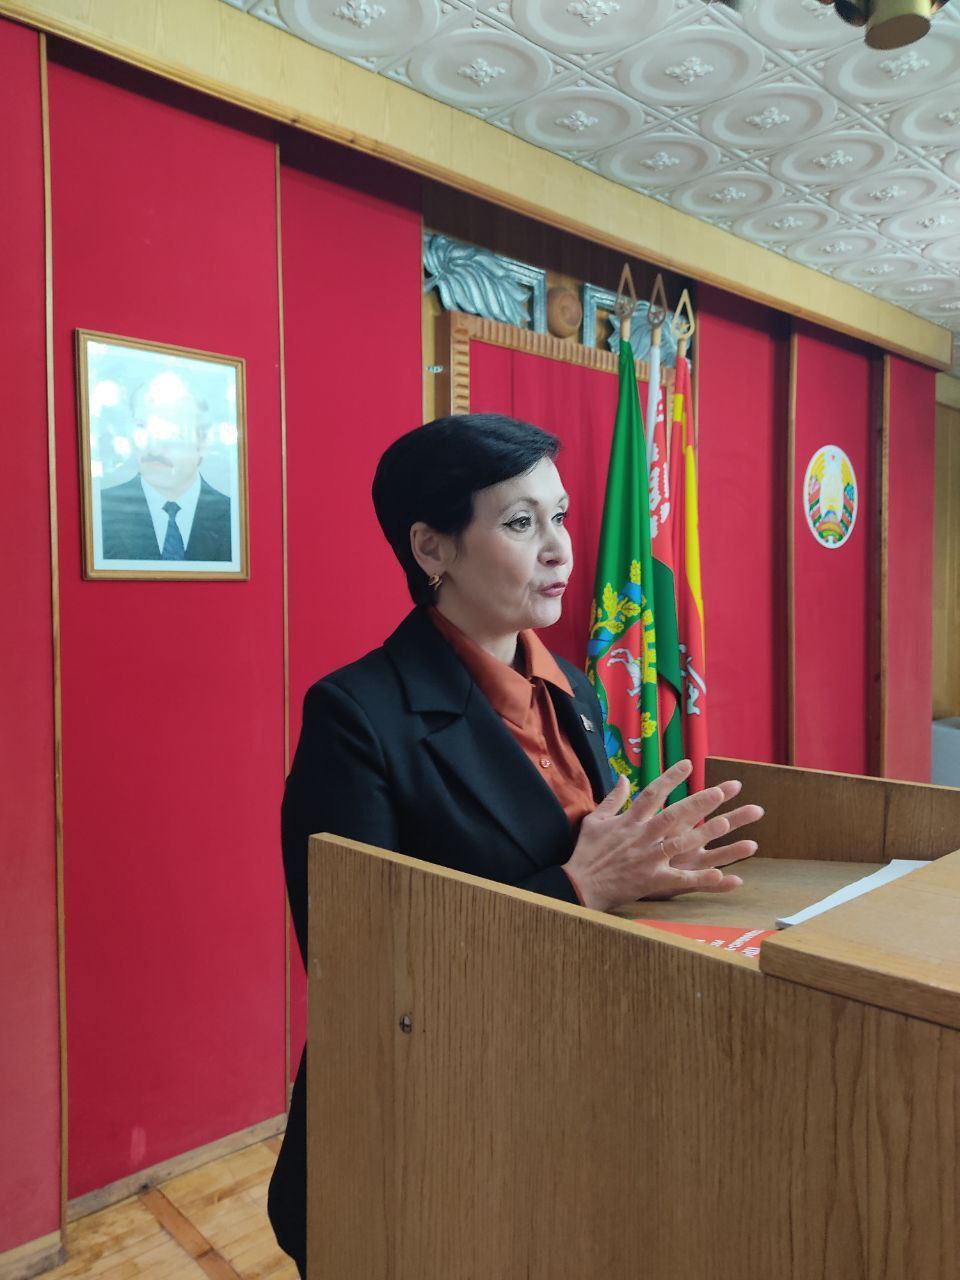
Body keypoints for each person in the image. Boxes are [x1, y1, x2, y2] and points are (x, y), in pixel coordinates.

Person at [268, 413, 763, 1276]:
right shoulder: (356, 718)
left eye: (560, 516)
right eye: (522, 522)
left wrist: (652, 866)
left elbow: (599, 866)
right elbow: (360, 973)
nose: (561, 549)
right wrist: (578, 888)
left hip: (571, 1098)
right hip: (423, 1134)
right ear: (433, 548)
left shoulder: (571, 684)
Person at [99, 371, 231, 561]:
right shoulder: (100, 512)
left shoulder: (234, 519)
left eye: (170, 430)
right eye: (142, 426)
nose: (154, 448)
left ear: (203, 440)